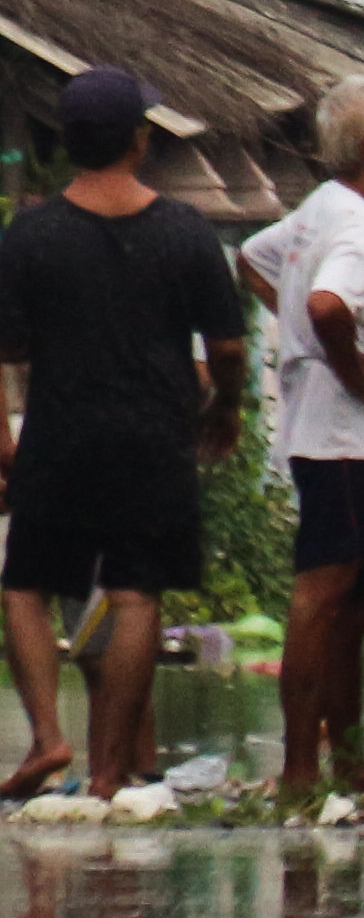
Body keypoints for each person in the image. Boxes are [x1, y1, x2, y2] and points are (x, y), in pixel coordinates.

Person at [0, 70, 248, 799]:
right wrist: (226, 408)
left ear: (69, 144)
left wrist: (2, 438)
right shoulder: (185, 231)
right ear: (141, 140)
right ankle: (111, 774)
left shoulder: (32, 235)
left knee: (25, 586)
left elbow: (1, 347)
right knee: (139, 594)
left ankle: (48, 736)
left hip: (61, 431)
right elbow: (228, 349)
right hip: (154, 436)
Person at [235, 78, 364, 807]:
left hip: (353, 440)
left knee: (355, 604)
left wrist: (299, 342)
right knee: (323, 596)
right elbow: (324, 303)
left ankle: (348, 763)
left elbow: (253, 259)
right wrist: (348, 369)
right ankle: (300, 770)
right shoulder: (355, 229)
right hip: (346, 434)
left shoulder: (322, 213)